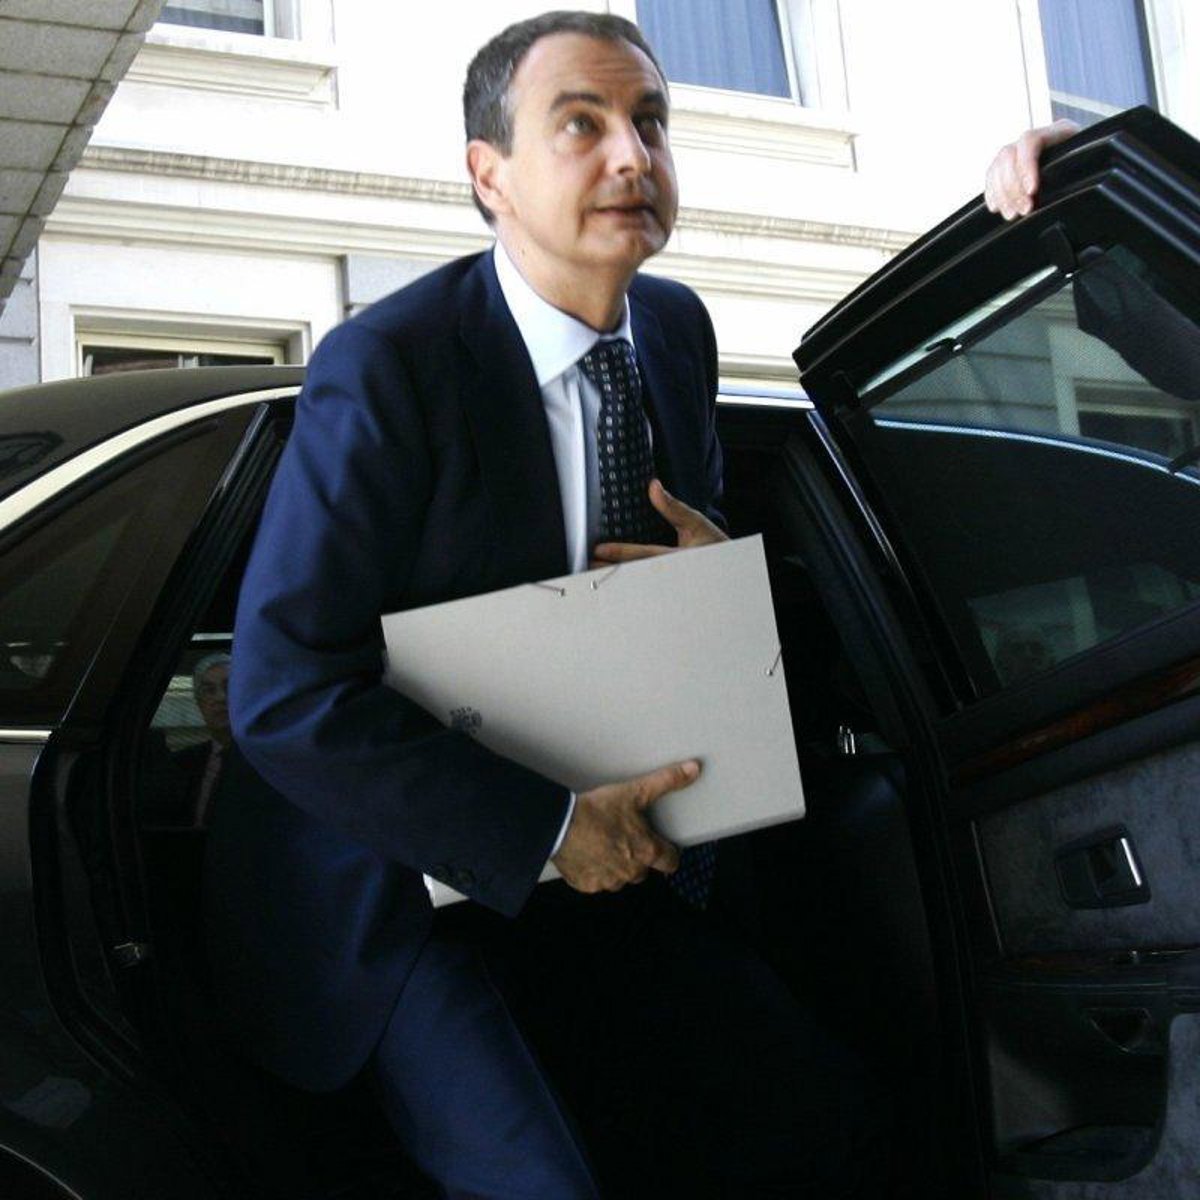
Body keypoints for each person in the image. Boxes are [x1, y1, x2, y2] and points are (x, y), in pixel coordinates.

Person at [205, 11, 889, 1199]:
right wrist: (549, 831)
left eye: (651, 123)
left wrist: (718, 573)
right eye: (582, 124)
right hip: (403, 888)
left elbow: (683, 585)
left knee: (823, 1124)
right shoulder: (390, 367)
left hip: (622, 856)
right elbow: (282, 691)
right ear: (491, 176)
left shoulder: (674, 332)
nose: (633, 155)